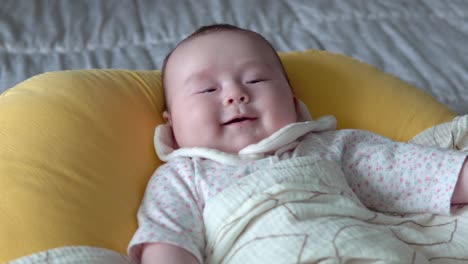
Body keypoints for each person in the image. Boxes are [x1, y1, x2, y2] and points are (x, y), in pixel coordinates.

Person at [127, 24, 468, 264]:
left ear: (293, 102)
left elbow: (411, 171)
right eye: (207, 90)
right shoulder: (184, 178)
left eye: (255, 79)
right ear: (171, 125)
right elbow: (168, 240)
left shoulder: (329, 148)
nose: (235, 94)